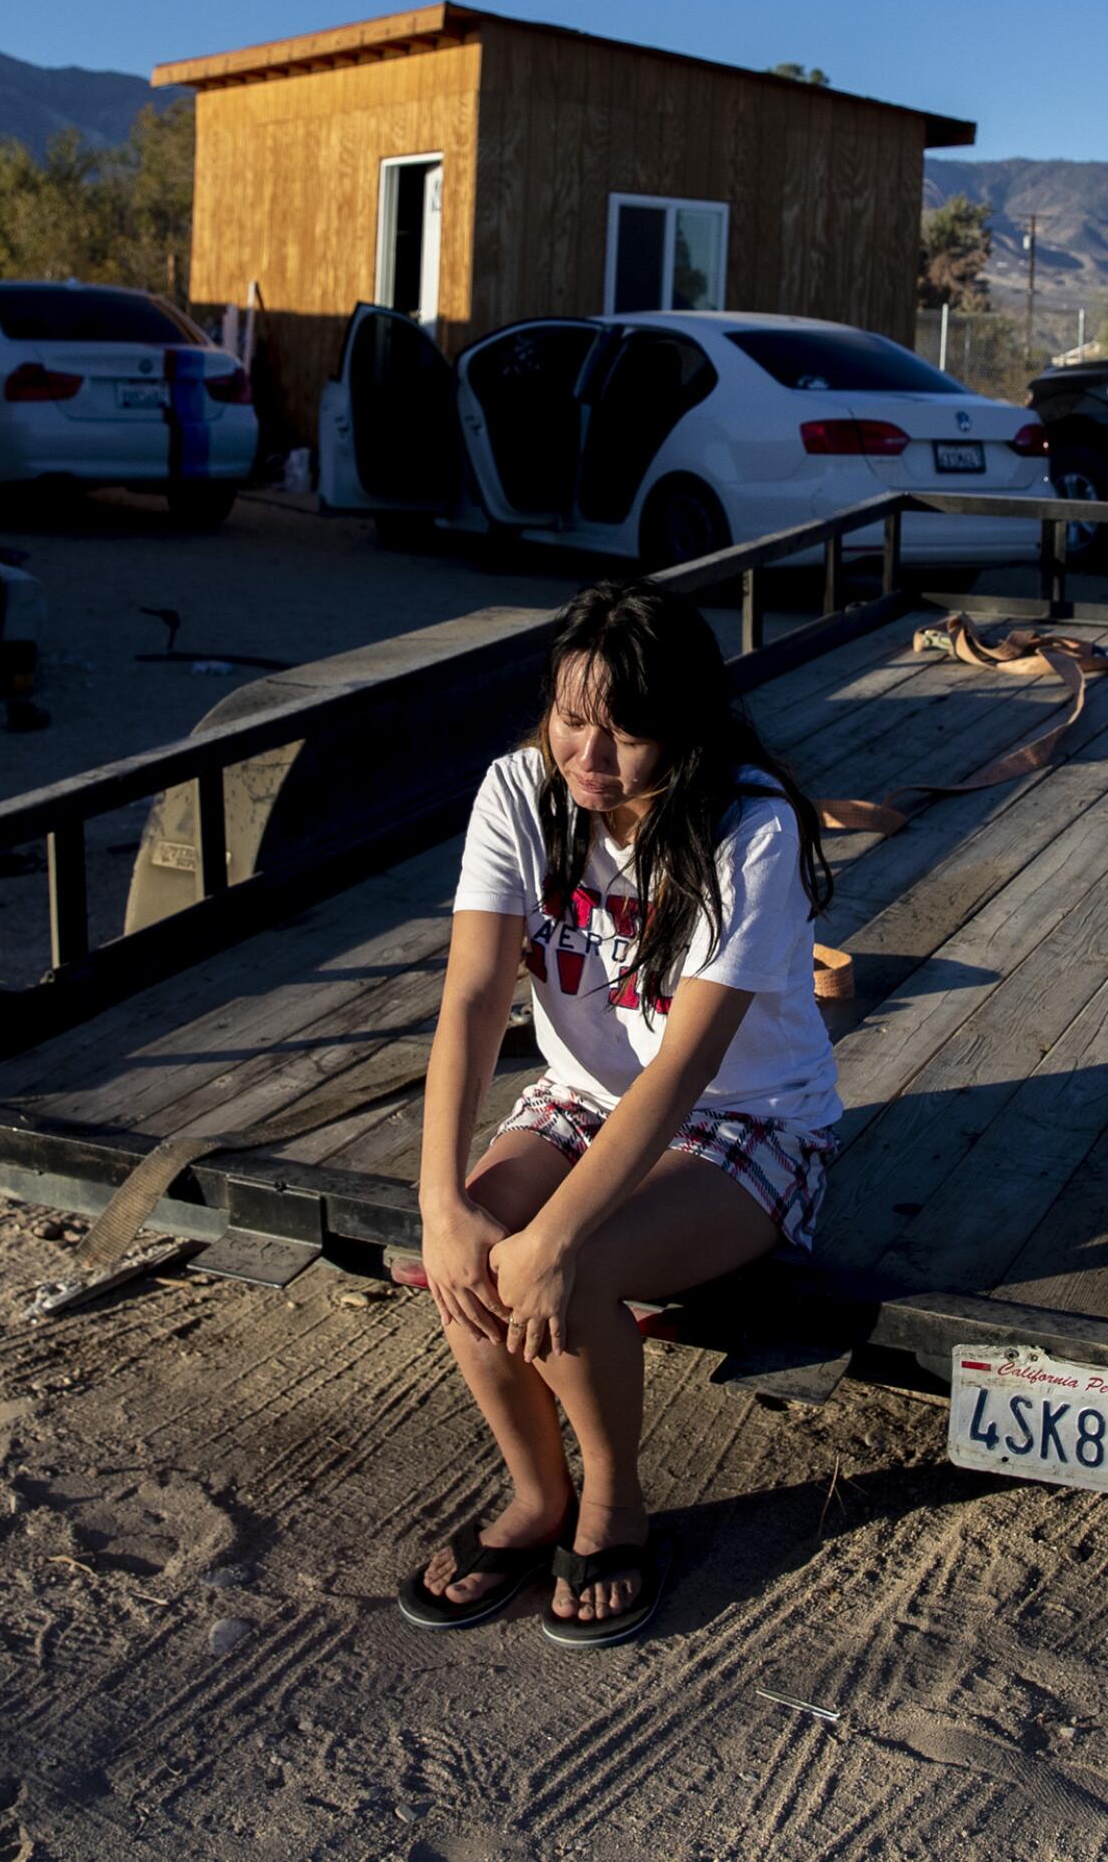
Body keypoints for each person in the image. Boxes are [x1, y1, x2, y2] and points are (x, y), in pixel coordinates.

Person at [397, 579, 840, 1648]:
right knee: (474, 1249)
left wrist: (559, 1234)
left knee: (565, 1265)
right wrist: (438, 1204)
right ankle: (534, 1493)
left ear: (682, 722)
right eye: (570, 718)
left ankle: (612, 1503)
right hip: (580, 1097)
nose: (590, 756)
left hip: (750, 1119)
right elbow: (469, 995)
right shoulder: (520, 788)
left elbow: (687, 1064)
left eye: (625, 730)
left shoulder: (749, 824)